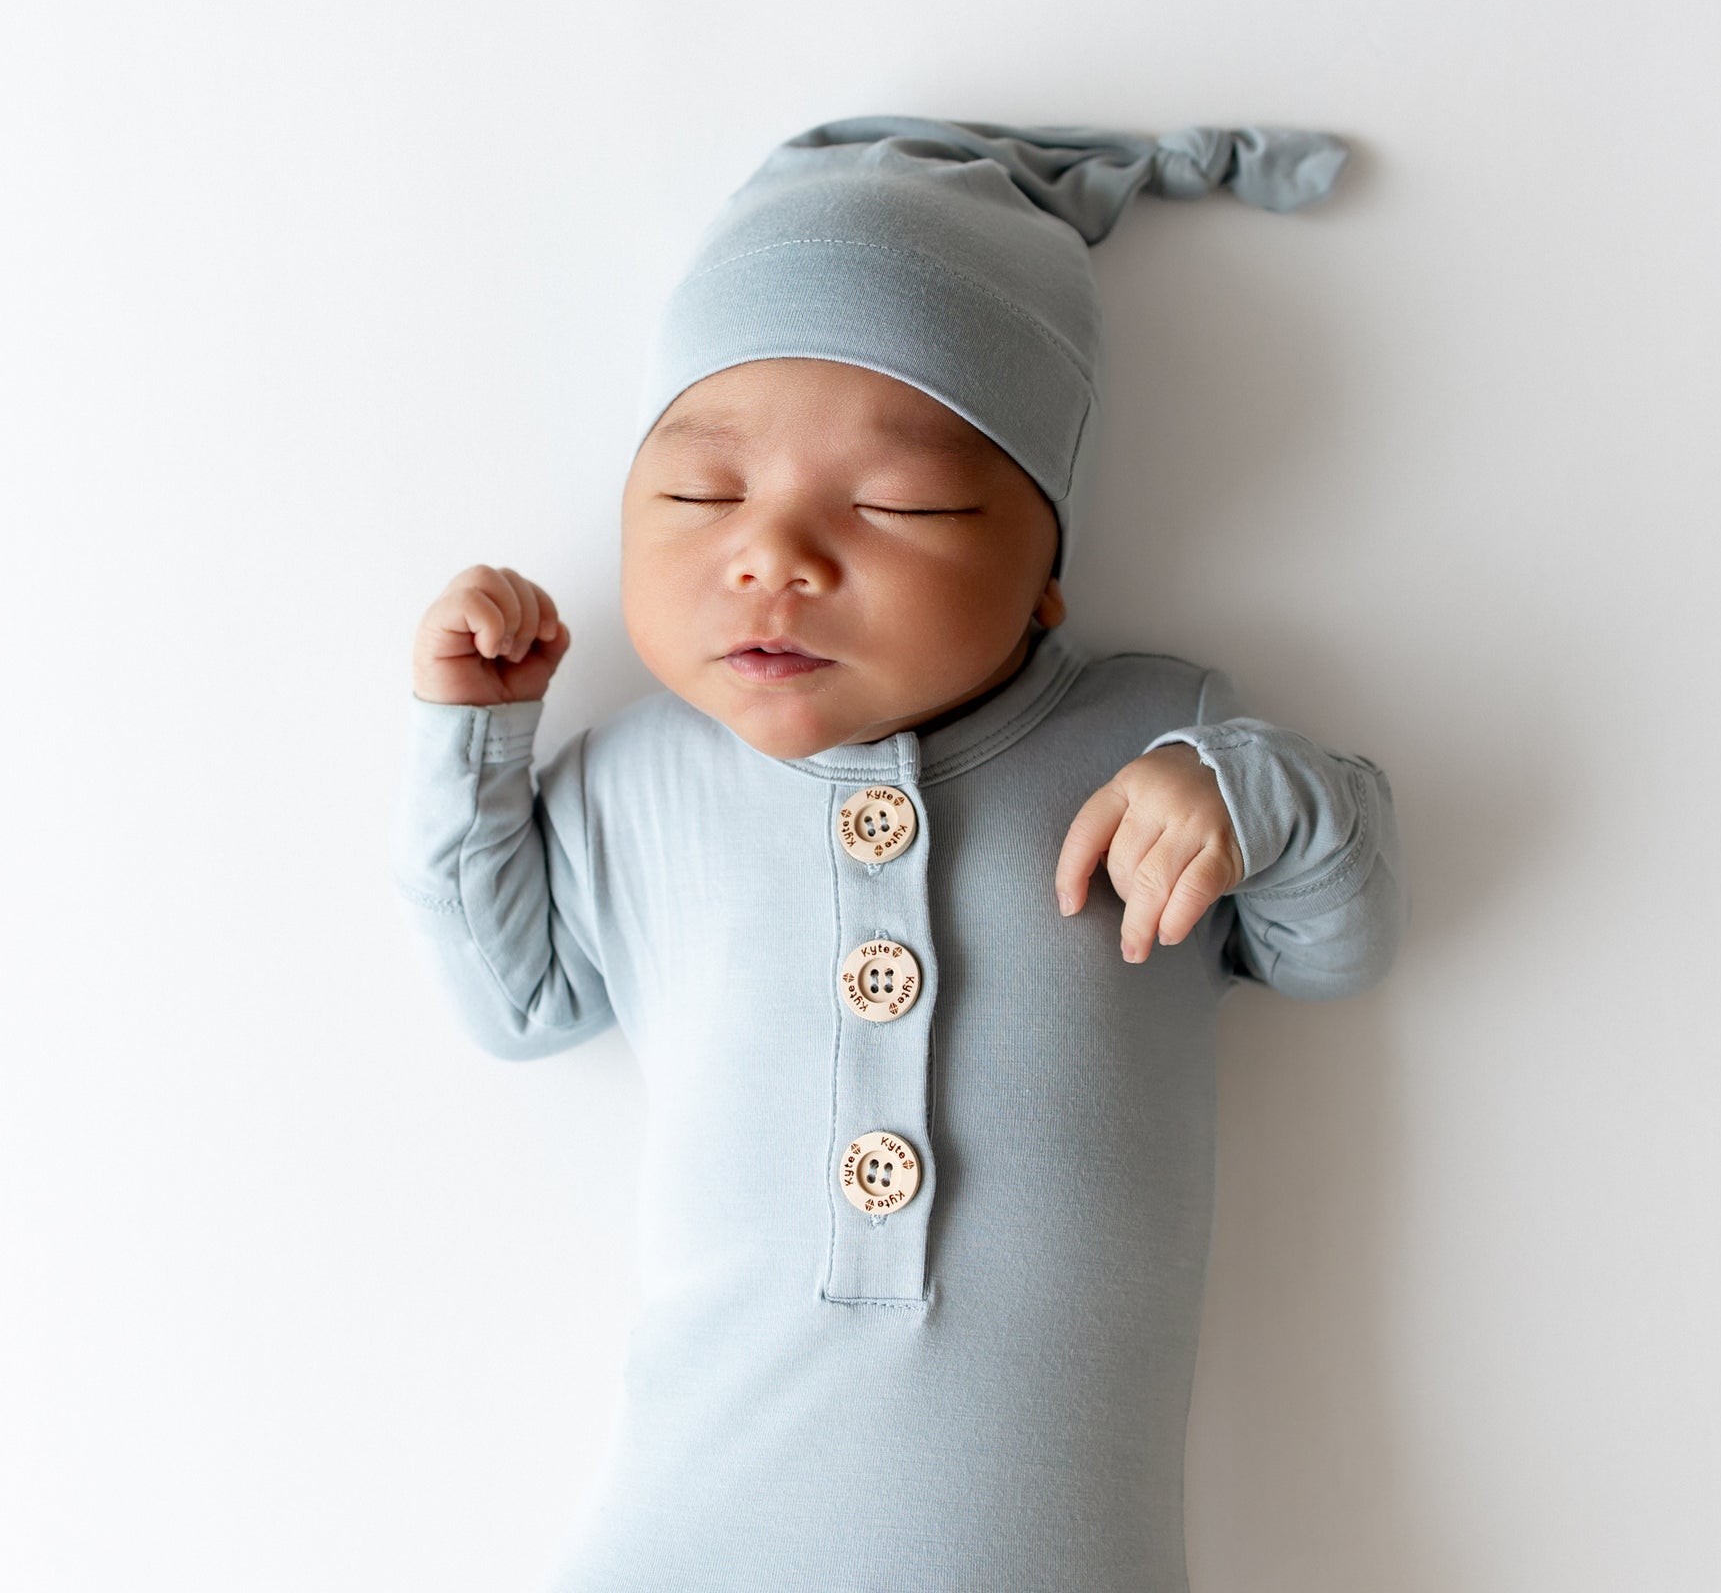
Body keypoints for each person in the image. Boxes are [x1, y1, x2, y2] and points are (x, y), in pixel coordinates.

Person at [392, 115, 1408, 1591]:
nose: (774, 558)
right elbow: (518, 1002)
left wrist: (1260, 797)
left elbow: (1339, 950)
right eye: (699, 495)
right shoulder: (637, 779)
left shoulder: (1149, 731)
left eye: (897, 505)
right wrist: (469, 742)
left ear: (1046, 574)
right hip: (686, 1528)